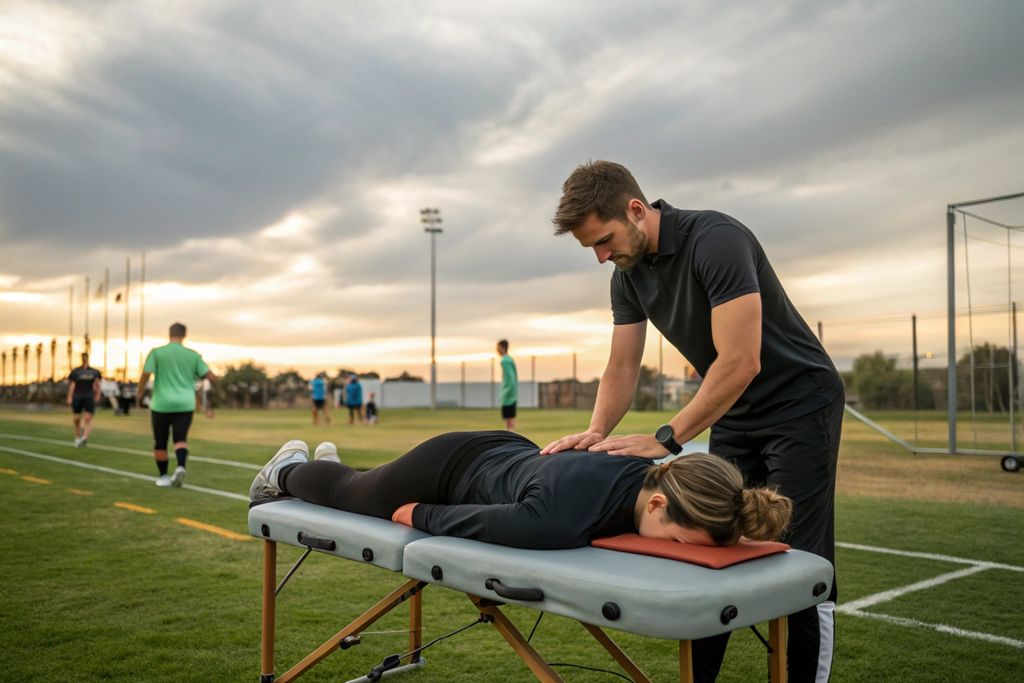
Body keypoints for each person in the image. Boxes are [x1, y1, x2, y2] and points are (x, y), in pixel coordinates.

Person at [543, 161, 844, 683]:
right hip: (732, 408)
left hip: (800, 404)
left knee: (800, 561)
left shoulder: (716, 240)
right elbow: (620, 366)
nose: (601, 257)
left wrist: (668, 439)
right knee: (711, 543)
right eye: (591, 247)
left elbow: (740, 361)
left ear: (636, 210)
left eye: (605, 239)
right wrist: (597, 433)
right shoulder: (626, 275)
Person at [249, 432, 792, 551]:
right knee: (354, 494)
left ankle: (325, 467)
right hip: (450, 469)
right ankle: (288, 470)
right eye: (674, 539)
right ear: (656, 504)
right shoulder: (559, 518)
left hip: (516, 454)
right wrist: (421, 514)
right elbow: (486, 523)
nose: (670, 548)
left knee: (357, 485)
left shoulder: (672, 473)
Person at [137, 322, 217, 488]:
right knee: (180, 439)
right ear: (184, 335)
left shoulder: (157, 352)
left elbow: (145, 374)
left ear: (169, 334)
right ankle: (180, 466)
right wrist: (207, 395)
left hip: (161, 404)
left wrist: (139, 393)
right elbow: (210, 376)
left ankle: (164, 476)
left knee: (160, 441)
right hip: (185, 404)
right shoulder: (193, 355)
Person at [66, 352, 101, 447]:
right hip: (77, 396)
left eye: (86, 357)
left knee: (88, 418)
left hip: (89, 396)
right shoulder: (76, 372)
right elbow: (72, 385)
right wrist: (69, 397)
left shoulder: (94, 372)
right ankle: (77, 437)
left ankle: (84, 438)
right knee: (76, 419)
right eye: (83, 357)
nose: (84, 359)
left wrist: (98, 394)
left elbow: (97, 384)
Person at [496, 339, 518, 430]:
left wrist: (506, 392)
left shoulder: (505, 361)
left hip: (508, 393)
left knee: (509, 420)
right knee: (510, 418)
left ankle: (511, 437)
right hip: (512, 392)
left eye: (498, 348)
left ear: (501, 347)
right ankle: (511, 435)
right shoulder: (509, 359)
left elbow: (511, 377)